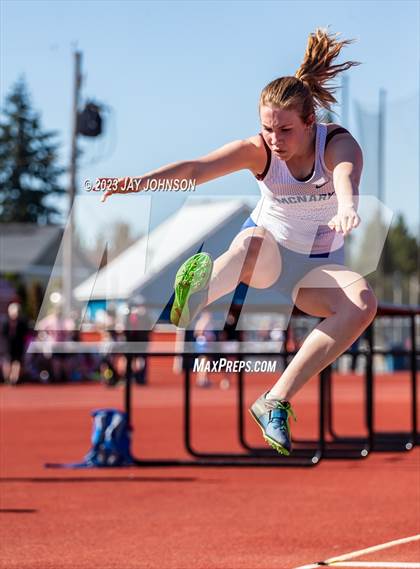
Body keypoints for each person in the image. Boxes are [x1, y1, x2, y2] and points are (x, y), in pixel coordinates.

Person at [101, 29, 378, 456]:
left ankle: (275, 400)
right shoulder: (260, 152)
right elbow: (196, 169)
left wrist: (346, 205)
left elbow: (345, 176)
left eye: (285, 130)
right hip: (266, 251)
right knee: (250, 247)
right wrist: (137, 183)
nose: (275, 140)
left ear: (310, 123)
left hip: (314, 267)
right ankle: (194, 296)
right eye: (267, 128)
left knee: (362, 303)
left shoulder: (338, 144)